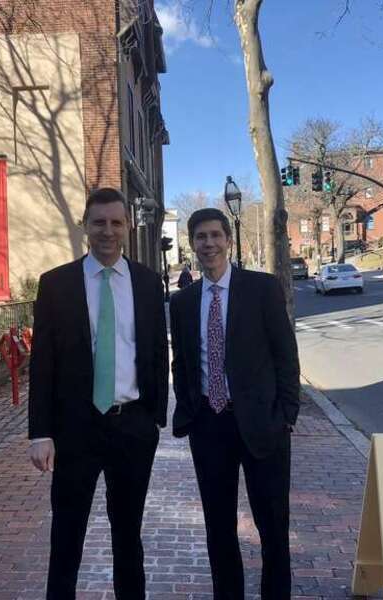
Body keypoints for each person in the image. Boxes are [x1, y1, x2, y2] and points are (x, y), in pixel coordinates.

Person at [28, 187, 168, 600]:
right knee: (66, 536)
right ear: (85, 225)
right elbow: (43, 364)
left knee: (129, 537)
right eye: (99, 222)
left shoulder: (146, 282)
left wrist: (153, 419)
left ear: (127, 226)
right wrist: (40, 433)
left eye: (116, 222)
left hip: (132, 429)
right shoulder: (56, 285)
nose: (108, 231)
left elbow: (157, 351)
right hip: (76, 431)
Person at [168, 208, 300, 600]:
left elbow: (285, 355)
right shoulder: (183, 302)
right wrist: (189, 411)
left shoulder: (262, 289)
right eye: (200, 237)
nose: (208, 244)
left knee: (273, 525)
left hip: (263, 426)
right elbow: (183, 362)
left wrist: (287, 416)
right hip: (210, 427)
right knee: (219, 528)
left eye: (214, 235)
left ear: (228, 239)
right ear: (191, 244)